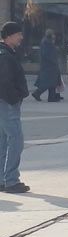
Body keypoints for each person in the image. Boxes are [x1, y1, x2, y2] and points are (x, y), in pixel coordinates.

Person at [0, 21, 30, 193]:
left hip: (5, 102)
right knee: (16, 140)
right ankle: (11, 180)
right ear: (10, 35)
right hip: (7, 104)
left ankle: (3, 180)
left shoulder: (6, 53)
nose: (21, 37)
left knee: (4, 141)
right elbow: (5, 83)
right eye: (19, 34)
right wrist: (15, 98)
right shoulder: (5, 56)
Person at [32, 29, 63, 102]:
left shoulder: (47, 42)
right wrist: (53, 61)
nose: (54, 36)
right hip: (49, 66)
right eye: (53, 34)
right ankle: (37, 93)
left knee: (52, 83)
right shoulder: (46, 43)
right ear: (50, 35)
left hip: (49, 66)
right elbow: (48, 54)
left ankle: (52, 97)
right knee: (48, 83)